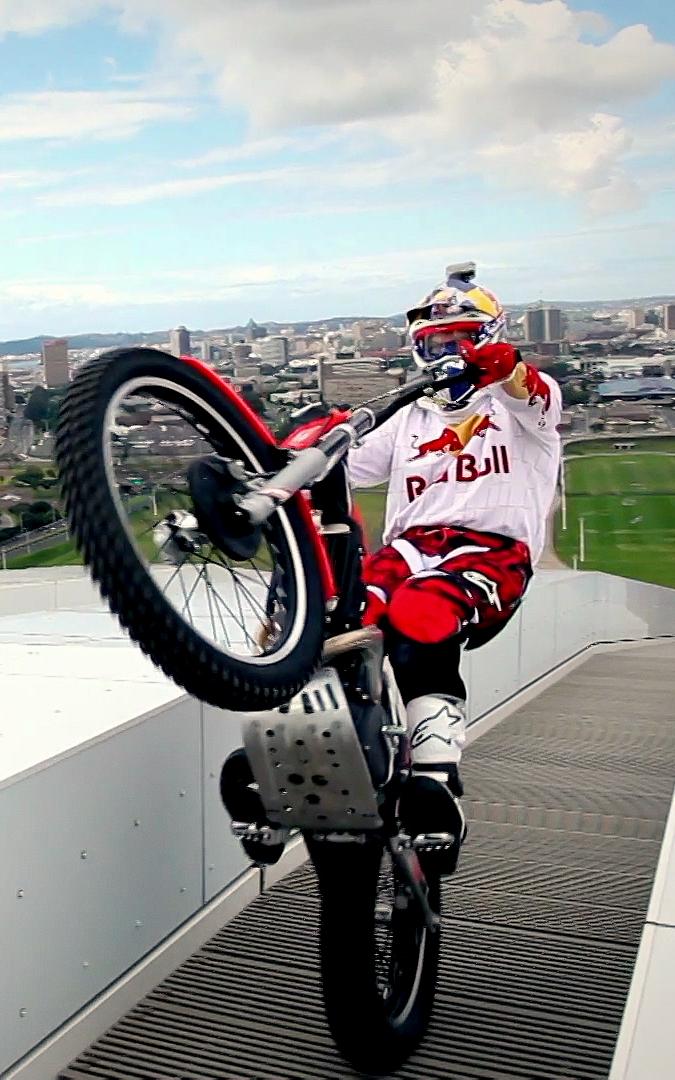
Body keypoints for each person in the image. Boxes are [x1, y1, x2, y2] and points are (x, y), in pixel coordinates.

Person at [346, 261, 562, 871]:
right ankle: (292, 753)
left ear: (486, 338)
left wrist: (507, 371)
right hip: (406, 550)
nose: (445, 352)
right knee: (341, 610)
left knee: (422, 611)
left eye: (458, 340)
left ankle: (437, 777)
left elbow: (534, 397)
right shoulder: (410, 418)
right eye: (434, 342)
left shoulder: (519, 411)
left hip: (490, 553)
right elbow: (349, 466)